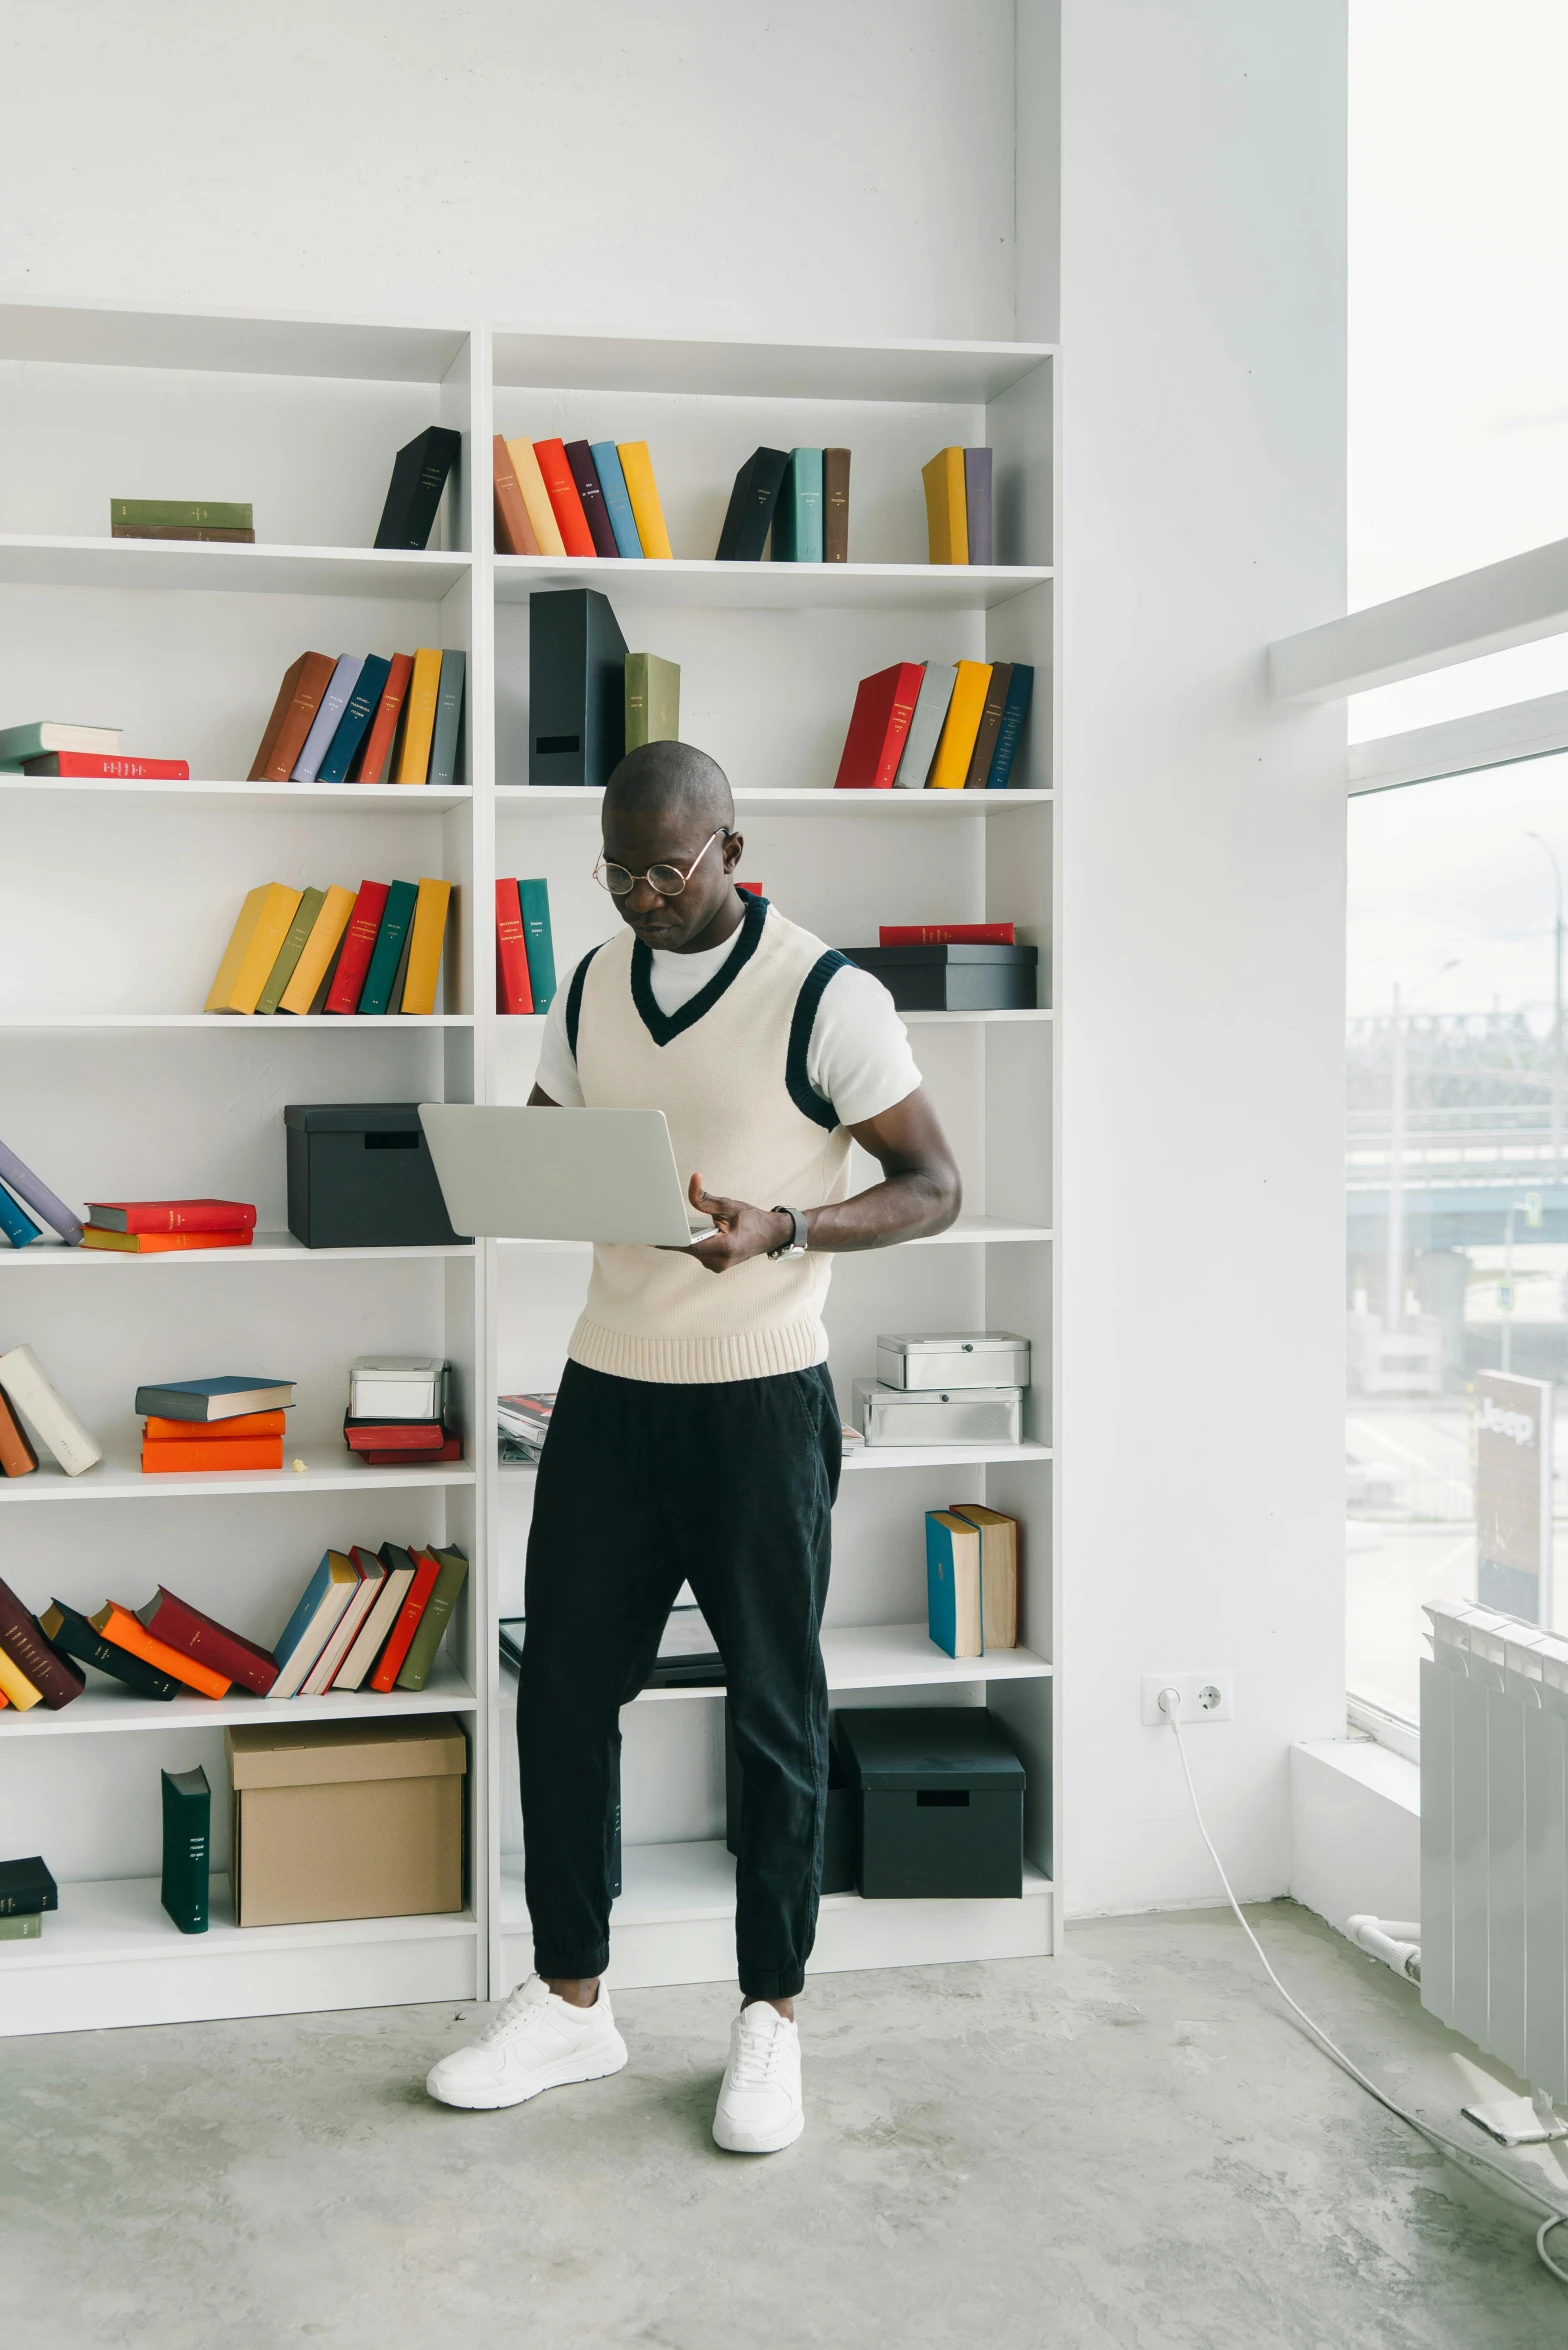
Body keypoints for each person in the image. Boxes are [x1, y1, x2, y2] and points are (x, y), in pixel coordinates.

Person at [426, 740, 962, 2150]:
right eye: (616, 872)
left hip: (757, 1399)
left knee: (775, 1713)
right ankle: (571, 1998)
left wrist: (784, 1226)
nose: (641, 898)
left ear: (732, 845)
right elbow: (553, 1142)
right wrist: (501, 1167)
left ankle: (770, 2018)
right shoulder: (595, 981)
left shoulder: (827, 995)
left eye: (666, 868)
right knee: (560, 1698)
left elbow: (934, 1185)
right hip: (605, 1390)